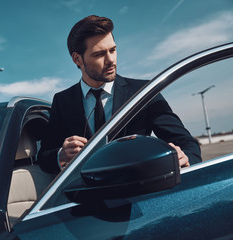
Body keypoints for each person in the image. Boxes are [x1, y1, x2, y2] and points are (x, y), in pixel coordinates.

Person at [38, 15, 201, 174]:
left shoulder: (143, 91)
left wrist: (184, 158)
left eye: (113, 50)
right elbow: (44, 157)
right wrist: (61, 155)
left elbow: (187, 143)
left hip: (138, 191)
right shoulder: (62, 100)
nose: (110, 60)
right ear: (77, 59)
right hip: (86, 196)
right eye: (99, 54)